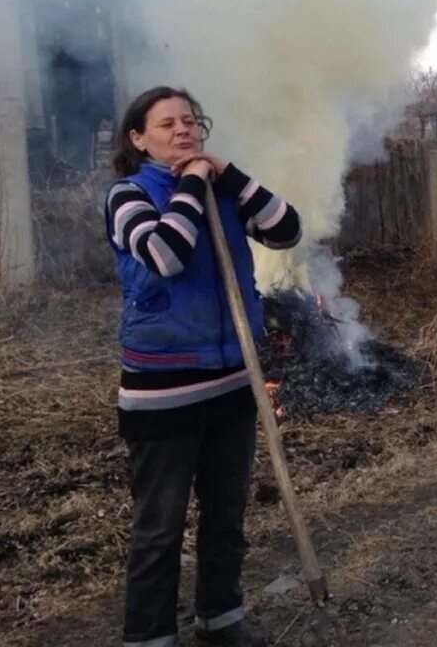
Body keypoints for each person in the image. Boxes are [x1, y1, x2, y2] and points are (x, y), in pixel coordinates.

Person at [106, 86, 302, 647]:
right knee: (160, 528)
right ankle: (149, 638)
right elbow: (166, 253)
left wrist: (229, 176)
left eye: (190, 121)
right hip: (163, 391)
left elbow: (287, 231)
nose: (183, 130)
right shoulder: (128, 194)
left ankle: (220, 620)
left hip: (232, 382)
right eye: (166, 124)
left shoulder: (222, 190)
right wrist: (191, 182)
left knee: (225, 514)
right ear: (138, 139)